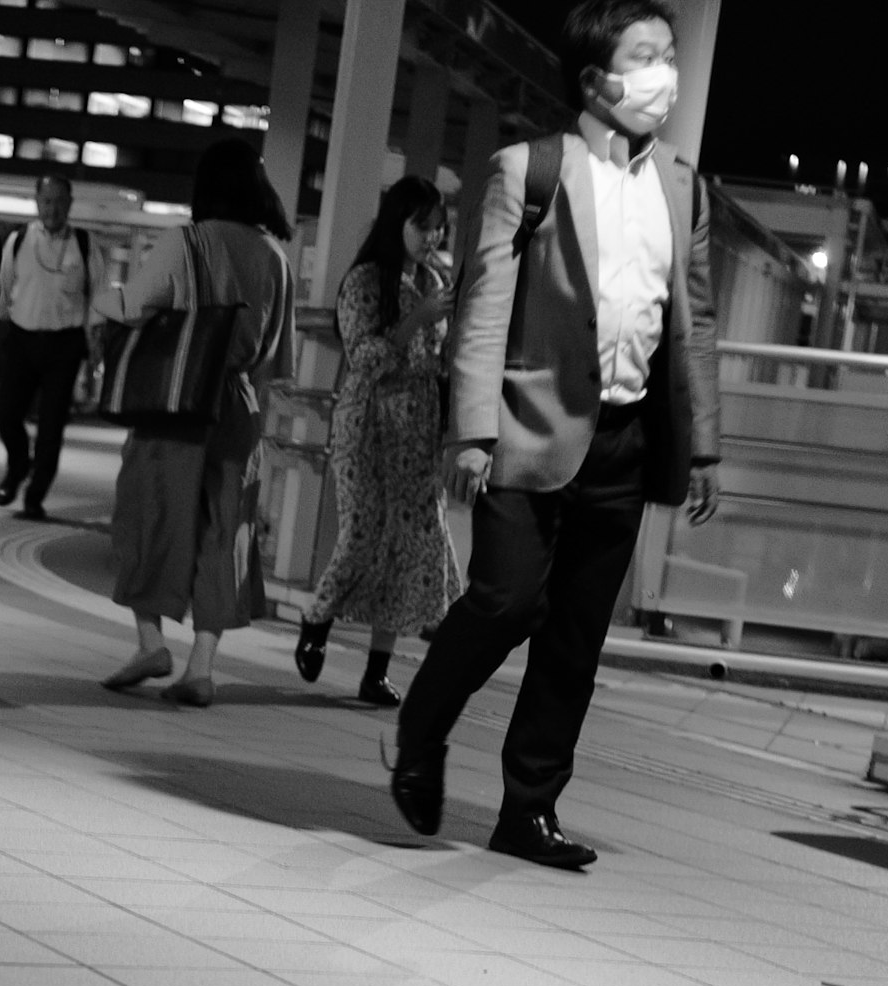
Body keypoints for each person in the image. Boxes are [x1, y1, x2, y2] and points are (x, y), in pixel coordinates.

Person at [386, 0, 719, 866]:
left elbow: (696, 325)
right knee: (505, 601)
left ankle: (527, 809)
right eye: (644, 56)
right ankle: (419, 730)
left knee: (575, 636)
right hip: (528, 429)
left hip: (628, 437)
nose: (664, 75)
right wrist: (470, 432)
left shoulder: (682, 187)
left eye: (668, 56)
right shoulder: (528, 171)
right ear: (594, 80)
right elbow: (483, 308)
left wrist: (705, 444)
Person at [96, 136, 291, 709]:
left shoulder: (187, 242)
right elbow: (278, 360)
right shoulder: (275, 256)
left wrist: (100, 301)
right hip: (239, 408)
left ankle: (151, 642)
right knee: (222, 530)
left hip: (177, 405)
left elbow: (134, 305)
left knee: (147, 516)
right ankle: (201, 667)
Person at [293, 176, 459, 707]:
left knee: (410, 548)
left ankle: (377, 671)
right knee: (363, 535)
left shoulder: (435, 278)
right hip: (368, 428)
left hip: (418, 433)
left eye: (438, 228)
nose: (431, 238)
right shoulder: (367, 279)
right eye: (422, 226)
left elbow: (438, 360)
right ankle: (317, 619)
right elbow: (363, 356)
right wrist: (416, 320)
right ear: (397, 223)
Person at [0, 168, 91, 518]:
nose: (53, 208)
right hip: (21, 337)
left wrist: (95, 353)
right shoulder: (18, 240)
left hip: (65, 344)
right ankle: (18, 466)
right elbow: (3, 291)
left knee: (51, 426)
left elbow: (99, 300)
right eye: (47, 201)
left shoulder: (85, 244)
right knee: (6, 415)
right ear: (36, 202)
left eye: (60, 201)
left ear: (70, 204)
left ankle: (35, 496)